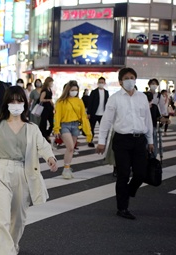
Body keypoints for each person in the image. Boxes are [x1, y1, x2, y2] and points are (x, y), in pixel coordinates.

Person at [0, 86, 58, 255]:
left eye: (19, 101)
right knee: (0, 219)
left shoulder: (31, 128)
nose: (15, 104)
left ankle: (12, 245)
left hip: (23, 172)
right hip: (1, 171)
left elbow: (42, 145)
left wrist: (50, 158)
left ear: (25, 103)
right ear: (6, 103)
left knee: (19, 218)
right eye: (12, 101)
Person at [96, 67, 154, 220]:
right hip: (122, 140)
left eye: (132, 77)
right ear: (121, 81)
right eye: (127, 78)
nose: (130, 80)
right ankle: (122, 207)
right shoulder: (115, 98)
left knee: (141, 173)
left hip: (139, 139)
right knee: (123, 173)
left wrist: (150, 140)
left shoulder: (142, 97)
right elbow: (106, 121)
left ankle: (127, 192)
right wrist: (101, 142)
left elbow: (147, 119)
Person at [53, 80, 92, 179]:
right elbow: (57, 116)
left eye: (76, 90)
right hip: (64, 125)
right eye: (72, 90)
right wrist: (56, 129)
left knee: (71, 149)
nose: (74, 92)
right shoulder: (61, 101)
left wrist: (88, 132)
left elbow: (83, 116)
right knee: (70, 147)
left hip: (76, 126)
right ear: (67, 90)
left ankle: (67, 167)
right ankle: (66, 170)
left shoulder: (79, 101)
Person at [86, 77, 109, 147]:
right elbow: (90, 103)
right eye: (100, 82)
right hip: (94, 113)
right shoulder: (94, 92)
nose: (101, 84)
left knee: (103, 128)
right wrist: (88, 113)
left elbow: (107, 103)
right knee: (91, 128)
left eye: (102, 82)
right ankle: (90, 141)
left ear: (104, 83)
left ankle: (103, 141)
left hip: (103, 114)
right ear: (98, 83)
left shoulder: (106, 92)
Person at [38, 77, 55, 143]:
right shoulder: (44, 90)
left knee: (52, 123)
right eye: (51, 82)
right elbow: (41, 99)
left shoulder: (49, 89)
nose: (52, 84)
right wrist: (49, 100)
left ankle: (46, 134)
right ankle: (44, 136)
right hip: (45, 108)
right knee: (43, 123)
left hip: (50, 108)